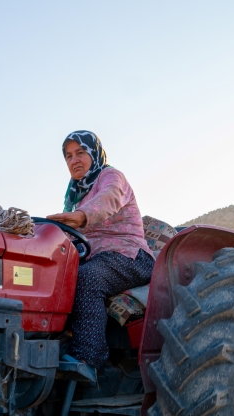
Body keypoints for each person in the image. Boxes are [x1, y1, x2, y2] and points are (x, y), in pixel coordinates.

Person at [46, 131, 155, 369]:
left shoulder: (111, 177)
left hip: (130, 256)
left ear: (94, 153)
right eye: (68, 156)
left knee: (87, 278)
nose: (74, 160)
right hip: (96, 257)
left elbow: (109, 198)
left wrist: (82, 216)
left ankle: (88, 358)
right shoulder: (74, 194)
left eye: (80, 153)